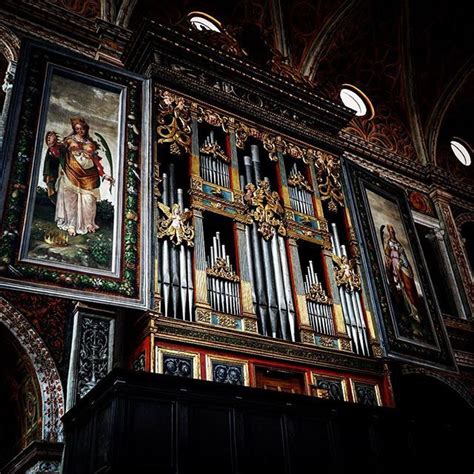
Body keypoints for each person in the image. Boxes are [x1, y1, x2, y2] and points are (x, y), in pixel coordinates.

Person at [43, 117, 114, 236]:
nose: (80, 131)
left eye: (82, 129)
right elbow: (58, 153)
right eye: (77, 129)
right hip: (70, 173)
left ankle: (88, 223)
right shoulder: (68, 141)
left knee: (89, 200)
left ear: (86, 129)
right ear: (74, 130)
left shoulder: (90, 143)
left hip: (89, 176)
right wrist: (52, 145)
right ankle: (71, 224)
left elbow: (96, 161)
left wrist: (104, 174)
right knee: (71, 200)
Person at [382, 225, 423, 334]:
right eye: (390, 231)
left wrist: (403, 263)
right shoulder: (388, 244)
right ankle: (409, 309)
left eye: (392, 231)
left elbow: (403, 255)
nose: (392, 233)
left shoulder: (398, 244)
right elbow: (387, 255)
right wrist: (391, 261)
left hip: (402, 265)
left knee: (409, 286)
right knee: (402, 286)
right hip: (396, 265)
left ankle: (415, 310)